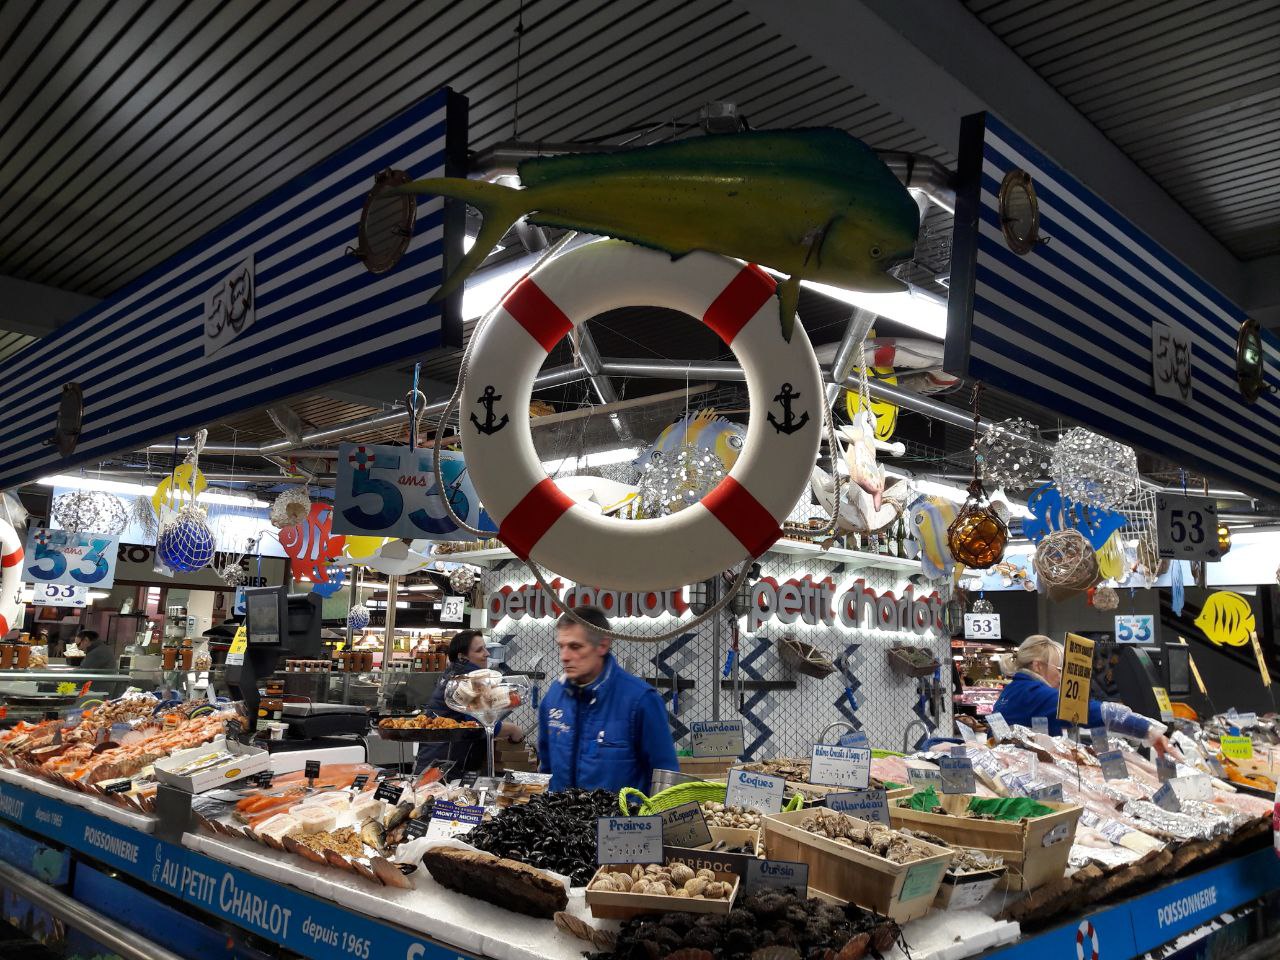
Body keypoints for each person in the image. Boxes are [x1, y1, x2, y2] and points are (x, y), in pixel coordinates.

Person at [538, 606, 678, 794]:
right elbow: (546, 770)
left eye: (575, 647)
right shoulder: (553, 698)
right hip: (559, 812)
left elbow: (666, 780)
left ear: (602, 645)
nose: (564, 657)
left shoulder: (641, 701)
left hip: (623, 813)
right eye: (561, 646)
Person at [991, 635, 1173, 753]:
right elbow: (1092, 711)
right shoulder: (1034, 694)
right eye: (1059, 669)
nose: (1062, 677)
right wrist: (1149, 730)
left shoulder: (1011, 691)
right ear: (1037, 666)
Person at [414, 630, 524, 775]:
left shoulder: (453, 675)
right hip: (445, 767)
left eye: (485, 648)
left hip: (434, 762)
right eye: (479, 650)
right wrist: (513, 730)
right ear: (462, 657)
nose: (487, 654)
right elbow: (478, 724)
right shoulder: (468, 681)